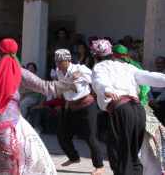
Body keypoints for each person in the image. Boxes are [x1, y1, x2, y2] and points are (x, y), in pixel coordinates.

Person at [0, 38, 75, 175]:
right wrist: (69, 83)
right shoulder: (20, 72)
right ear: (15, 53)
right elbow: (46, 87)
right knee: (32, 155)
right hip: (12, 122)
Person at [91, 39, 165, 175]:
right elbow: (151, 77)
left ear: (96, 56)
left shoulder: (99, 67)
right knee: (132, 154)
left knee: (120, 154)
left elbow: (99, 80)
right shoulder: (129, 67)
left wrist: (106, 89)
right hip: (138, 110)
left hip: (122, 110)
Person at [113, 44, 165, 175]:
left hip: (138, 109)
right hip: (139, 109)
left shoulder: (130, 68)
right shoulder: (130, 67)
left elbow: (145, 88)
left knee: (141, 147)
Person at [54, 49, 104, 175]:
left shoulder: (80, 68)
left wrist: (81, 75)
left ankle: (100, 166)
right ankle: (74, 157)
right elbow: (65, 91)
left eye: (61, 62)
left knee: (90, 137)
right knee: (62, 135)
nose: (59, 64)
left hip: (87, 106)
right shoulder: (58, 71)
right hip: (71, 106)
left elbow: (96, 79)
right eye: (57, 61)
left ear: (68, 60)